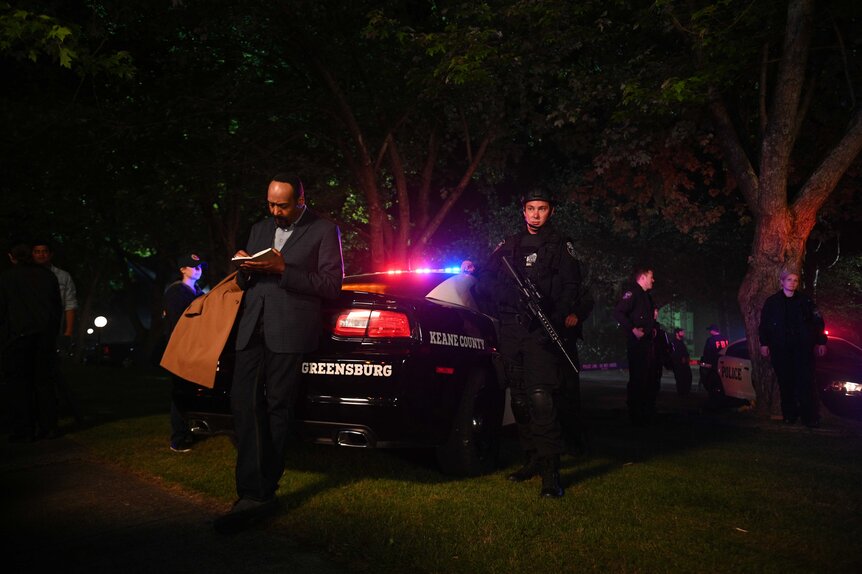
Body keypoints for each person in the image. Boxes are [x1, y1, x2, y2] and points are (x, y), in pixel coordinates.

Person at [214, 174, 343, 534]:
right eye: (270, 203)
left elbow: (332, 285)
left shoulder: (323, 229)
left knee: (278, 408)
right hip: (252, 326)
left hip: (289, 330)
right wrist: (244, 267)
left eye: (282, 205)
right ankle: (254, 488)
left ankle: (260, 491)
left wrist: (284, 269)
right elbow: (245, 282)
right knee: (242, 402)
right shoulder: (259, 228)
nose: (275, 211)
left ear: (300, 200)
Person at [475, 189, 589, 498]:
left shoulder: (561, 247)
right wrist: (507, 299)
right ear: (523, 212)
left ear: (550, 211)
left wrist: (553, 315)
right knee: (520, 400)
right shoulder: (509, 246)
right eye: (530, 208)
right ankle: (532, 460)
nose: (536, 214)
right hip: (512, 329)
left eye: (541, 208)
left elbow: (571, 288)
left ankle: (551, 473)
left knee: (541, 398)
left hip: (541, 331)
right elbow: (484, 280)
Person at [1, 243, 62, 441]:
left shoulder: (7, 278)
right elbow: (57, 307)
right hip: (44, 336)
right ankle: (49, 427)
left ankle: (23, 429)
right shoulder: (48, 276)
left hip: (18, 336)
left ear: (12, 257)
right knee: (44, 382)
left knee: (19, 384)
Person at [758, 269, 827, 427]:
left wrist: (821, 341)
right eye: (789, 280)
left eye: (795, 280)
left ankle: (809, 417)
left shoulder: (805, 301)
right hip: (781, 349)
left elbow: (817, 322)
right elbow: (765, 325)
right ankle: (789, 415)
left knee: (805, 383)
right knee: (786, 383)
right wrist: (764, 343)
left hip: (802, 350)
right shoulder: (772, 302)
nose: (793, 283)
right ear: (782, 282)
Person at [163, 253, 205, 452]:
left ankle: (191, 429)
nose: (198, 270)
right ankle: (178, 438)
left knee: (189, 391)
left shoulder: (198, 291)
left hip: (195, 347)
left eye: (199, 267)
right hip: (180, 348)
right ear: (182, 269)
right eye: (193, 266)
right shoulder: (176, 292)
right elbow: (179, 322)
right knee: (180, 391)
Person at [613, 266, 658, 425]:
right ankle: (635, 413)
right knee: (638, 378)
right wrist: (633, 330)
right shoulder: (633, 293)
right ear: (643, 278)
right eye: (651, 277)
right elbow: (618, 312)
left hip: (647, 342)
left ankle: (644, 411)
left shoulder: (646, 296)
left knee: (647, 377)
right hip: (637, 343)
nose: (653, 280)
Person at [699, 323, 728, 399]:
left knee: (714, 381)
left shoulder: (710, 340)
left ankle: (714, 396)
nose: (709, 332)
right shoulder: (725, 339)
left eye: (710, 330)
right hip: (725, 363)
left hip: (714, 364)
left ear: (712, 331)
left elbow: (706, 352)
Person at [669, 328, 693, 396]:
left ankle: (685, 392)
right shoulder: (674, 343)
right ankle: (682, 393)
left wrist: (687, 357)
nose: (683, 333)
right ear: (677, 333)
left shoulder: (681, 342)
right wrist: (680, 359)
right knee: (680, 379)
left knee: (687, 377)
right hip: (678, 364)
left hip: (684, 364)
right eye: (681, 332)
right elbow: (674, 354)